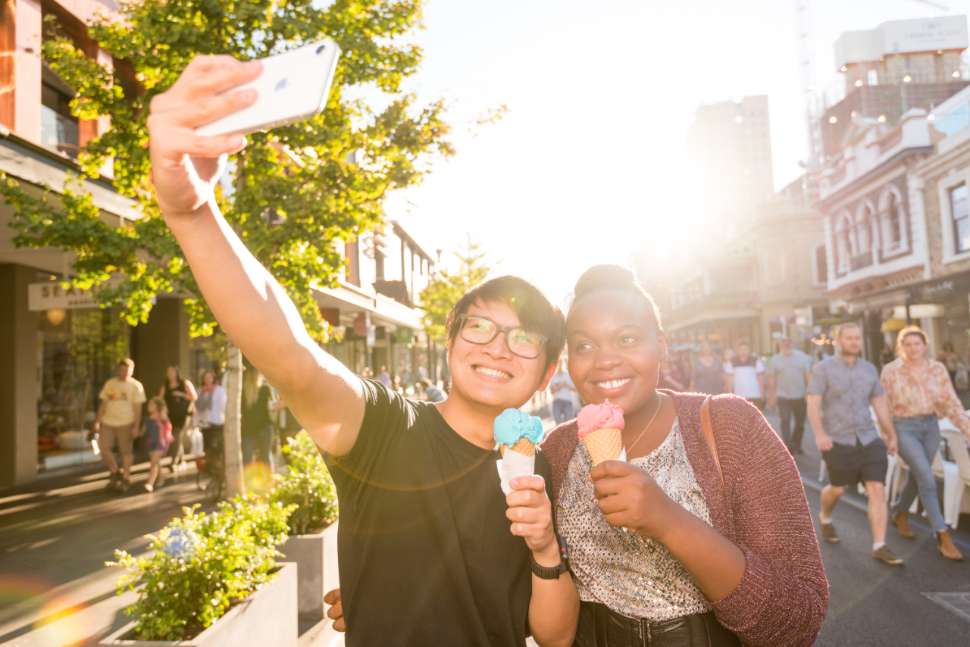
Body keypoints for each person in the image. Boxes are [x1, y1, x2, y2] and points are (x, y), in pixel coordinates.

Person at [148, 56, 578, 647]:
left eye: (525, 338)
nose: (499, 348)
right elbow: (291, 355)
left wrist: (544, 543)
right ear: (451, 339)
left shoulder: (542, 469)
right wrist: (193, 213)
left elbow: (552, 637)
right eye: (480, 326)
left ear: (548, 369)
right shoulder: (381, 431)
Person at [327, 266, 828, 646]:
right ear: (565, 365)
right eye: (584, 345)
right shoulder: (557, 451)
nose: (606, 359)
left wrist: (668, 521)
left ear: (662, 346)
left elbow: (799, 617)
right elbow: (515, 581)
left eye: (628, 339)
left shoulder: (728, 426)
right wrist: (388, 588)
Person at [806, 322, 903, 566]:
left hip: (868, 438)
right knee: (838, 488)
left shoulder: (870, 369)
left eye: (857, 338)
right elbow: (813, 403)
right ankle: (825, 516)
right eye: (848, 338)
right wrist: (819, 434)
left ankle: (879, 545)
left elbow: (880, 404)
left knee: (877, 488)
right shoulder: (823, 369)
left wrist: (890, 434)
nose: (854, 342)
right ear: (838, 340)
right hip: (837, 438)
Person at [881, 326, 970, 561]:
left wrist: (967, 429)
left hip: (930, 426)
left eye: (917, 344)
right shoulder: (891, 371)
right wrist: (889, 436)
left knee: (918, 475)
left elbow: (950, 402)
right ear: (901, 346)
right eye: (907, 344)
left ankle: (899, 512)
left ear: (925, 345)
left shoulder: (937, 369)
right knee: (927, 478)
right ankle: (942, 535)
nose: (913, 348)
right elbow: (884, 407)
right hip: (903, 427)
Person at [94, 358, 146, 493]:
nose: (124, 373)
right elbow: (103, 404)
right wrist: (97, 422)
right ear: (118, 370)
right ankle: (115, 471)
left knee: (126, 451)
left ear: (132, 371)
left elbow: (138, 408)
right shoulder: (110, 384)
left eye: (127, 371)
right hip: (108, 422)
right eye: (122, 370)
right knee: (103, 447)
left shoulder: (136, 386)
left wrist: (136, 426)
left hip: (126, 423)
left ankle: (126, 477)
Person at [767, 337, 813, 454]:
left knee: (800, 423)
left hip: (800, 395)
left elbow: (808, 376)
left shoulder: (803, 357)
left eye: (788, 342)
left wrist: (810, 393)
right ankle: (787, 446)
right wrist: (771, 397)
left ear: (792, 343)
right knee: (785, 420)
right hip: (783, 396)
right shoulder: (774, 360)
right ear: (779, 345)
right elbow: (772, 380)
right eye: (783, 342)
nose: (786, 344)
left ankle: (796, 444)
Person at [158, 366, 198, 471]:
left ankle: (174, 461)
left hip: (183, 415)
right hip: (170, 416)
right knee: (176, 438)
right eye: (168, 372)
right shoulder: (165, 385)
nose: (170, 374)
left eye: (172, 372)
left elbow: (194, 397)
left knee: (176, 435)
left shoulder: (184, 383)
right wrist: (163, 410)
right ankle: (181, 460)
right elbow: (160, 399)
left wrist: (181, 394)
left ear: (177, 372)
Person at [242, 368, 275, 470]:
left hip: (247, 430)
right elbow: (271, 407)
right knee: (265, 458)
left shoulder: (242, 392)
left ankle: (248, 484)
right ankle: (268, 484)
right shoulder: (265, 389)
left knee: (247, 461)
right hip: (264, 428)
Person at [141, 397, 174, 492]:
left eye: (152, 404)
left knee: (153, 463)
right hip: (151, 442)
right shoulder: (147, 418)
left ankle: (149, 483)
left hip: (161, 442)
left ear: (158, 406)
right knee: (156, 462)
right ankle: (161, 477)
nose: (149, 406)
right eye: (149, 404)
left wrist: (166, 437)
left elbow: (168, 426)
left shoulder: (161, 416)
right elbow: (143, 431)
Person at [722, 340, 765, 410]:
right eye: (741, 349)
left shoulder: (756, 361)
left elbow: (761, 378)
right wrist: (730, 395)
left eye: (745, 349)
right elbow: (729, 381)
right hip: (739, 397)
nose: (743, 351)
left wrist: (762, 394)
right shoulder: (731, 362)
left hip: (755, 395)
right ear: (737, 350)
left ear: (749, 350)